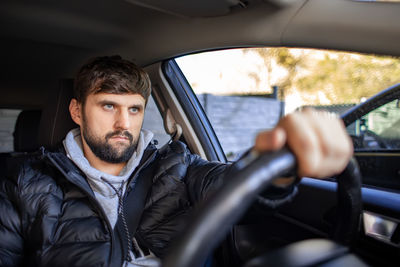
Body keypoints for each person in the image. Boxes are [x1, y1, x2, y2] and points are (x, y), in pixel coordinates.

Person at [0, 56, 352, 267]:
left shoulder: (176, 166)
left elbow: (231, 186)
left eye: (134, 109)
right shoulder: (25, 182)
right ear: (77, 111)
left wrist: (278, 167)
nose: (124, 124)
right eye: (108, 106)